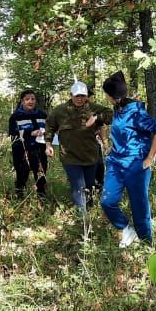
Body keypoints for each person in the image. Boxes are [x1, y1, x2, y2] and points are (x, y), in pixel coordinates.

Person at [98, 71, 156, 248]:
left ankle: (146, 243)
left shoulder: (136, 113)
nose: (105, 97)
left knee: (139, 206)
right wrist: (112, 146)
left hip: (136, 165)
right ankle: (127, 229)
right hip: (115, 163)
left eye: (106, 94)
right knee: (107, 201)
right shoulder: (118, 109)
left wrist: (150, 158)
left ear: (113, 96)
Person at [45, 81, 113, 236]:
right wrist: (48, 144)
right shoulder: (60, 111)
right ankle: (82, 220)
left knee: (89, 187)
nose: (80, 99)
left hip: (90, 156)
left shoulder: (93, 108)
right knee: (79, 188)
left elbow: (111, 115)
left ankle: (88, 211)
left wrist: (96, 117)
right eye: (77, 96)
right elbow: (49, 127)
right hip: (70, 157)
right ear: (71, 96)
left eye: (83, 96)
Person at [7, 89, 49, 198]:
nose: (30, 101)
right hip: (22, 150)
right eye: (27, 99)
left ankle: (42, 198)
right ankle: (19, 196)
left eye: (33, 99)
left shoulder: (42, 114)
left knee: (41, 174)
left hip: (40, 149)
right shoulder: (16, 116)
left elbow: (49, 129)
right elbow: (13, 132)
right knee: (22, 174)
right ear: (22, 101)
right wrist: (30, 133)